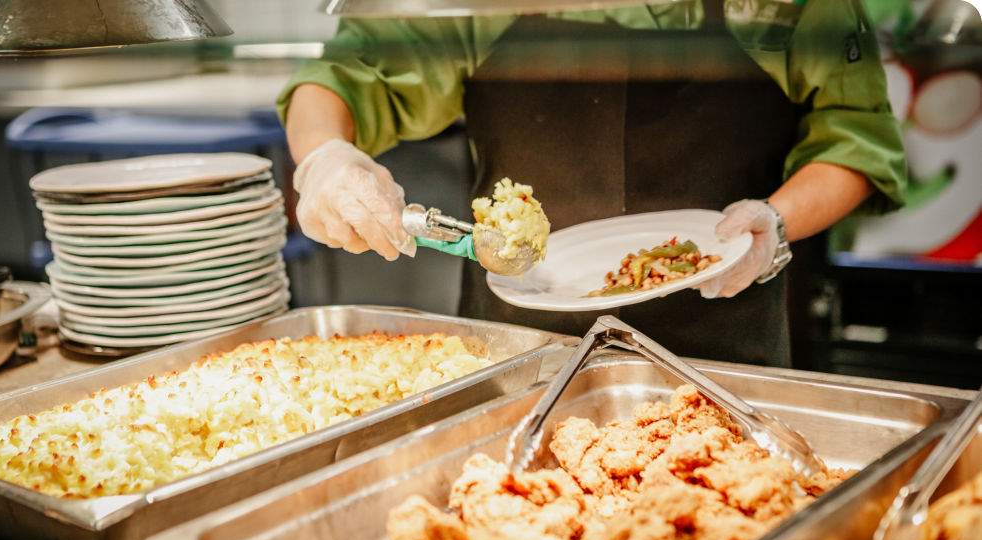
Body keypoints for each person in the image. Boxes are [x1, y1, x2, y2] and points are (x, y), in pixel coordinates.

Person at [277, 0, 907, 368]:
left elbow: (854, 140)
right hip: (519, 346)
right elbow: (346, 75)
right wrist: (326, 160)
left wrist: (775, 222)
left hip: (723, 346)